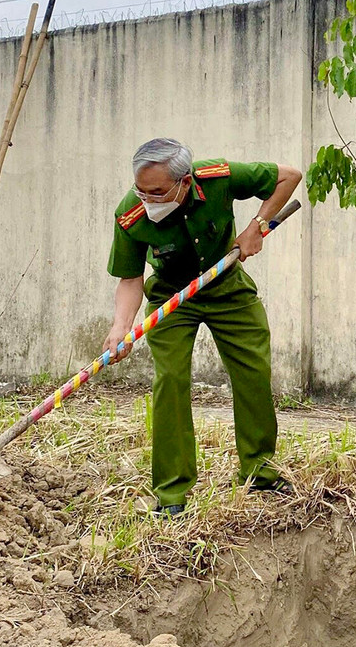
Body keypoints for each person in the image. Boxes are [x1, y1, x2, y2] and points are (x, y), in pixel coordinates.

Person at [104, 138, 302, 517]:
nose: (148, 200)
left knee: (253, 372)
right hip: (171, 298)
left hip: (227, 287)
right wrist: (120, 327)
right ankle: (172, 492)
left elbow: (288, 177)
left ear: (184, 181)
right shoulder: (130, 215)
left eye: (158, 192)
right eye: (141, 191)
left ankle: (259, 469)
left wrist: (256, 227)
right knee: (171, 381)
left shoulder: (217, 178)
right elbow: (130, 279)